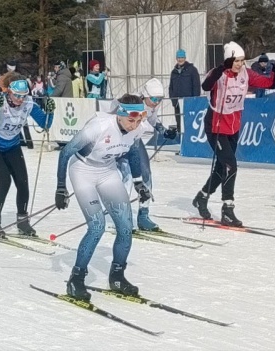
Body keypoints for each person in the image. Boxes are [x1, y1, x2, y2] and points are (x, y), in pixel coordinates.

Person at [55, 93, 151, 302]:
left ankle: (117, 277)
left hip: (107, 172)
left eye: (138, 120)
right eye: (131, 120)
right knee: (97, 226)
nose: (135, 125)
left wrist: (138, 182)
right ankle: (76, 279)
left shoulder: (137, 128)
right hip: (83, 171)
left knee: (126, 227)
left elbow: (133, 153)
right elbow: (66, 153)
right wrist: (61, 187)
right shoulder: (99, 127)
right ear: (120, 114)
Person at [191, 42, 275, 227]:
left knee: (221, 167)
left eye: (242, 60)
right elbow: (206, 86)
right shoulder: (218, 74)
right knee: (230, 165)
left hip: (233, 126)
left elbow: (270, 83)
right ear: (228, 60)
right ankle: (228, 208)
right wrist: (221, 68)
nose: (240, 64)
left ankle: (202, 197)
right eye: (237, 60)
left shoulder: (246, 73)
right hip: (215, 126)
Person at [0, 74, 55, 238]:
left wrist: (50, 111)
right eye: (17, 95)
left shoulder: (29, 104)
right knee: (4, 181)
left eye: (23, 95)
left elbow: (45, 124)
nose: (20, 99)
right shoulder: (0, 101)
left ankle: (23, 221)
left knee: (22, 181)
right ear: (9, 92)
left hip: (12, 145)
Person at [116, 78, 175, 231]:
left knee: (146, 173)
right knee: (128, 176)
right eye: (154, 99)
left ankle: (143, 215)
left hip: (134, 139)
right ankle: (122, 217)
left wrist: (165, 131)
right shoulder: (132, 104)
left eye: (160, 99)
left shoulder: (151, 106)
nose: (156, 102)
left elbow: (153, 120)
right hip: (118, 139)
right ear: (144, 96)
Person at [169, 49, 202, 133]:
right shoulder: (174, 72)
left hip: (188, 101)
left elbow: (196, 86)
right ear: (176, 58)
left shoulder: (192, 70)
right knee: (179, 121)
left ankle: (190, 139)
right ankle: (181, 138)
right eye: (179, 57)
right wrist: (173, 100)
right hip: (177, 102)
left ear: (185, 58)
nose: (180, 59)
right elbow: (171, 87)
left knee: (189, 121)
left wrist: (195, 100)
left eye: (182, 57)